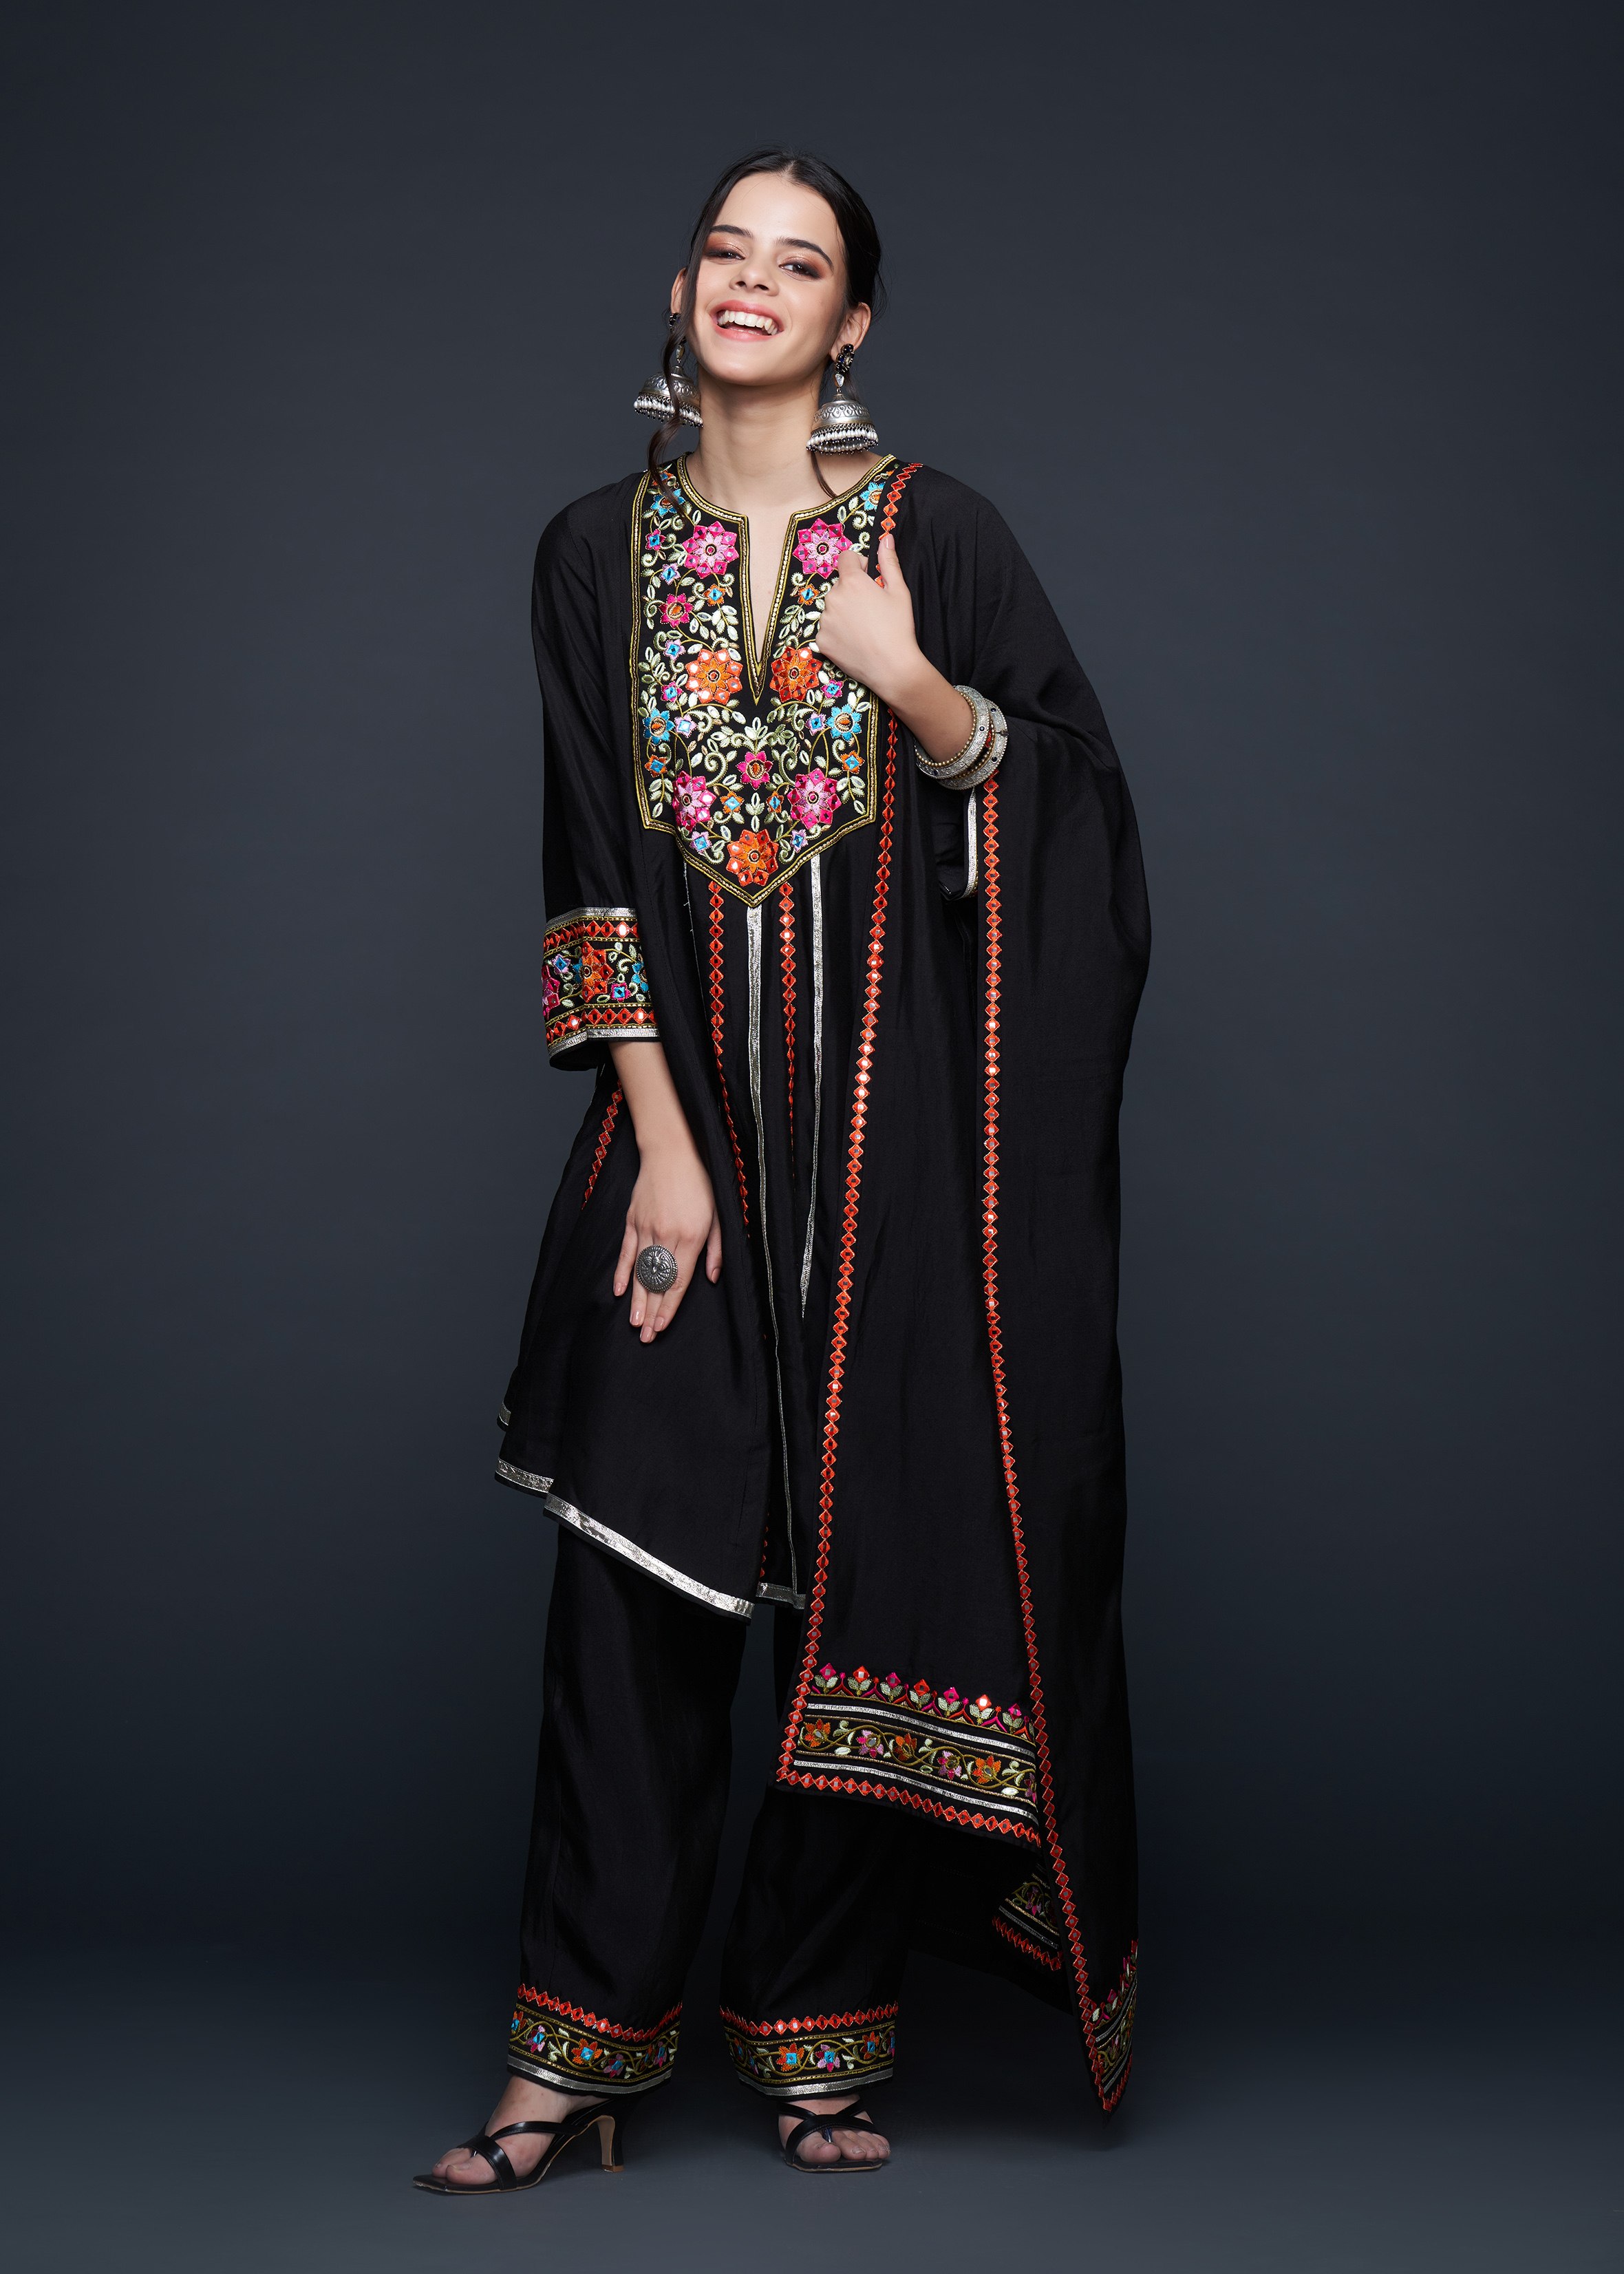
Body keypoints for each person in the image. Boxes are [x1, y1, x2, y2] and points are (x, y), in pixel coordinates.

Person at [415, 147, 1149, 2195]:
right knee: (634, 1599)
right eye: (725, 251)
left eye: (799, 261)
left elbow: (1087, 830)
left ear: (854, 320)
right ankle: (569, 2062)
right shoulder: (591, 551)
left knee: (865, 1572)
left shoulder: (937, 533)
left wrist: (913, 684)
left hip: (902, 1157)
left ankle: (818, 2037)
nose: (753, 282)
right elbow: (588, 865)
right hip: (691, 1145)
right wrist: (661, 1148)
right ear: (681, 293)